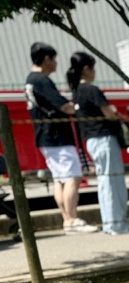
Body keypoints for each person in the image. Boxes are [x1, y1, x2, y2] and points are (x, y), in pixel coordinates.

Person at [25, 42, 98, 234]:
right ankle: (72, 219)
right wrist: (78, 108)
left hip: (44, 136)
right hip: (56, 136)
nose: (56, 63)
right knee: (73, 176)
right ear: (46, 59)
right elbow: (63, 106)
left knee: (60, 178)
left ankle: (67, 220)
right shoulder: (41, 80)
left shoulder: (30, 80)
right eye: (54, 59)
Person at [67, 51, 129, 234]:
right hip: (104, 138)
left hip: (91, 140)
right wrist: (113, 111)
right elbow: (109, 113)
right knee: (114, 181)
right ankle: (118, 223)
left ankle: (110, 223)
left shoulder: (76, 92)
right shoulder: (91, 89)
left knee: (105, 182)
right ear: (87, 69)